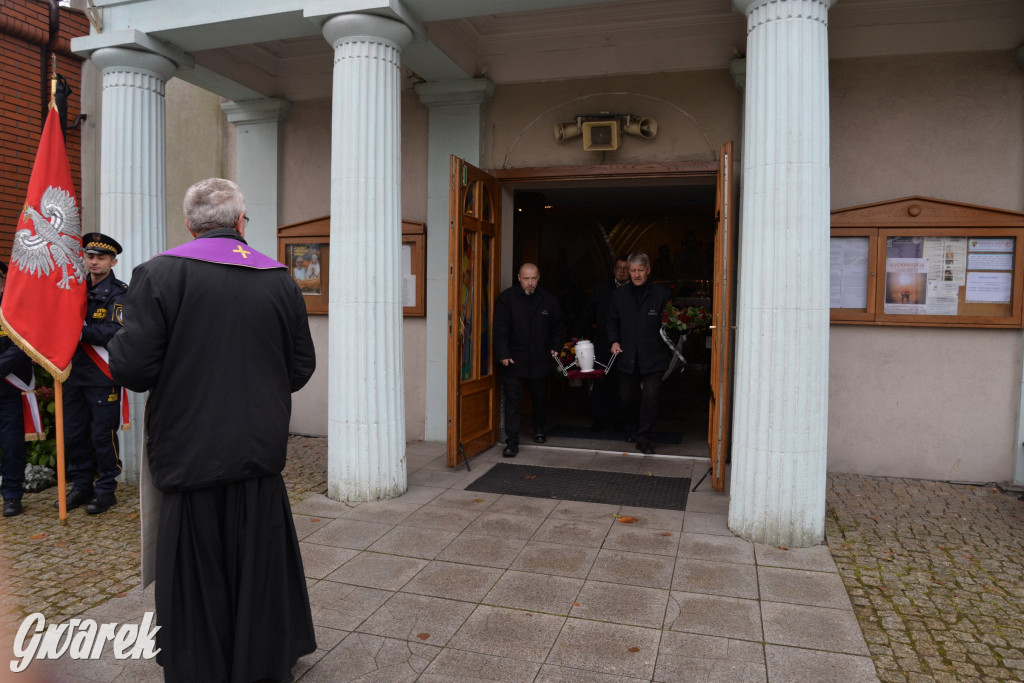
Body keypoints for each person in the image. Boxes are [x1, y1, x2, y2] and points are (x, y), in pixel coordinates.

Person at [108, 178, 317, 682]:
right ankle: (262, 660)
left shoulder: (158, 274)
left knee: (195, 568)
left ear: (190, 224)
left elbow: (131, 368)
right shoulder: (280, 279)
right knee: (257, 563)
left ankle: (200, 663)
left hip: (191, 449)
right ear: (241, 223)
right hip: (255, 451)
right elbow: (300, 367)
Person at [54, 233, 127, 515]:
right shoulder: (73, 289)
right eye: (90, 256)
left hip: (101, 375)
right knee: (73, 433)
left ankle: (107, 488)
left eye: (101, 257)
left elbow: (115, 331)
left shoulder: (120, 292)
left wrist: (79, 331)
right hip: (72, 371)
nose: (94, 262)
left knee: (102, 434)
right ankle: (82, 485)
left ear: (113, 261)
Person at [493, 263, 565, 457]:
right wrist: (503, 354)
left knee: (540, 397)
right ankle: (512, 441)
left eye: (533, 278)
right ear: (518, 278)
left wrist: (556, 348)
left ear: (539, 277)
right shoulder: (506, 299)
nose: (530, 283)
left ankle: (539, 429)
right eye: (526, 279)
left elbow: (558, 327)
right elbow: (500, 329)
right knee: (513, 400)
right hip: (513, 358)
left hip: (540, 358)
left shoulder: (549, 300)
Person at [609, 252, 671, 455]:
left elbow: (670, 324)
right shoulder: (618, 295)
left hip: (654, 355)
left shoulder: (661, 295)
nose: (636, 275)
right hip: (627, 355)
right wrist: (614, 341)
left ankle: (644, 439)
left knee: (650, 397)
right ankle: (632, 427)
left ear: (648, 270)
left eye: (640, 271)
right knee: (626, 397)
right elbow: (612, 321)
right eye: (632, 270)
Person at [573, 256, 630, 431]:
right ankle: (600, 419)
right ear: (614, 270)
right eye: (619, 268)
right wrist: (576, 334)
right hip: (603, 342)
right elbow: (587, 313)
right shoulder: (602, 289)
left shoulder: (636, 290)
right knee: (601, 381)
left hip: (627, 343)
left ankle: (622, 421)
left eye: (625, 268)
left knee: (624, 383)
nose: (622, 271)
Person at [0, 262, 32, 518]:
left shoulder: (13, 310)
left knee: (11, 446)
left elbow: (21, 347)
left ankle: (12, 495)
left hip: (7, 388)